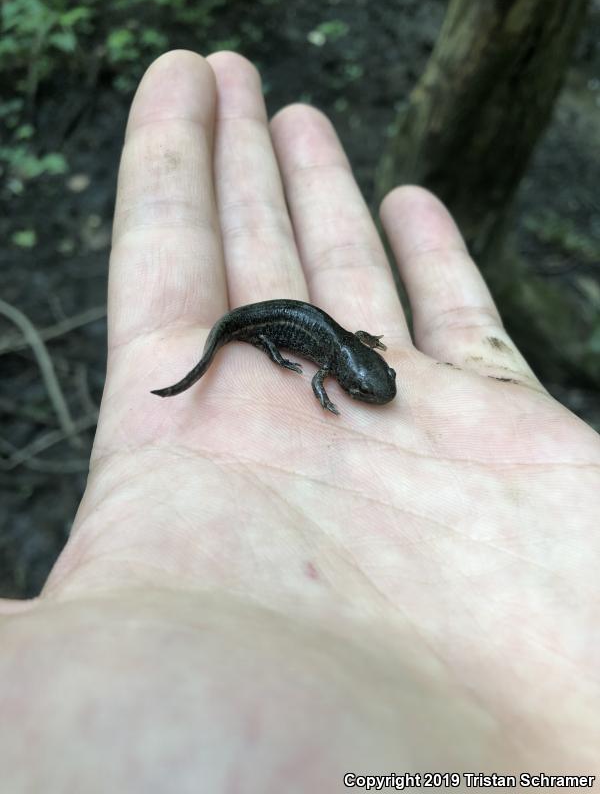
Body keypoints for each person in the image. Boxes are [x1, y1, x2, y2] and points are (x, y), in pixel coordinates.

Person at [1, 50, 598, 791]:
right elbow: (319, 365)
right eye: (365, 387)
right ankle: (231, 350)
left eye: (371, 386)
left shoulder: (349, 360)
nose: (371, 391)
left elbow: (356, 355)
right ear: (345, 375)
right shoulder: (324, 362)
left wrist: (357, 359)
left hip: (304, 322)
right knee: (260, 337)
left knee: (290, 332)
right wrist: (286, 364)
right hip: (263, 322)